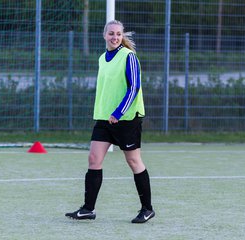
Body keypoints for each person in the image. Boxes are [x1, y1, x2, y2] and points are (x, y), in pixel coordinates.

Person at [65, 20, 155, 224]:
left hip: (126, 118)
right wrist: (106, 112)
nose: (115, 37)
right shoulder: (102, 58)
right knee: (93, 159)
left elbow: (134, 88)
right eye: (111, 33)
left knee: (133, 161)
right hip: (104, 119)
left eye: (118, 34)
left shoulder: (129, 56)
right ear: (104, 35)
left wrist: (119, 111)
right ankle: (88, 209)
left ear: (122, 36)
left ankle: (147, 209)